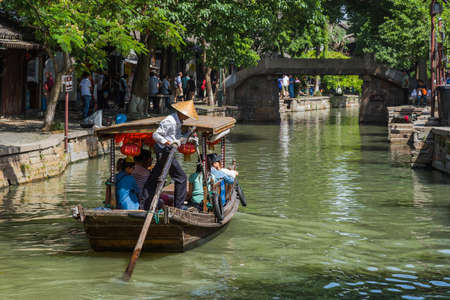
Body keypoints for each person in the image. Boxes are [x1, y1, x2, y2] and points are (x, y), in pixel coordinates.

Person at [143, 100, 199, 210]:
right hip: (165, 151)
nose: (187, 118)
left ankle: (144, 202)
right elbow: (156, 135)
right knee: (181, 177)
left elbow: (178, 137)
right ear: (182, 113)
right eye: (187, 115)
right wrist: (168, 143)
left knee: (154, 177)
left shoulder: (178, 122)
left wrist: (189, 139)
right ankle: (179, 206)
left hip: (168, 151)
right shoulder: (170, 121)